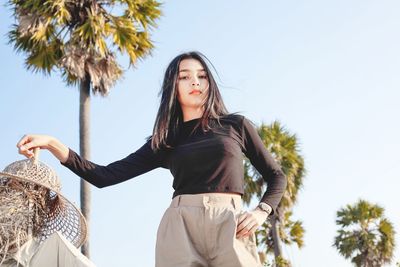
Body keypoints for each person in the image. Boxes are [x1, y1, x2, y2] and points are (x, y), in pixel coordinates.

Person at [16, 51, 287, 267]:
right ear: (174, 86)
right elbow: (104, 176)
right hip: (181, 226)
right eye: (185, 76)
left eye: (202, 76)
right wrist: (53, 144)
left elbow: (276, 175)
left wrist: (262, 211)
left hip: (231, 223)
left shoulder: (236, 125)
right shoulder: (165, 140)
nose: (195, 82)